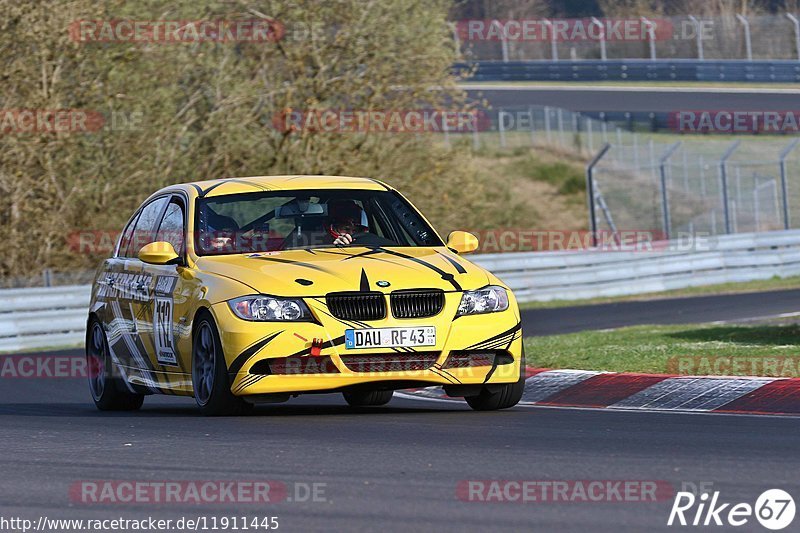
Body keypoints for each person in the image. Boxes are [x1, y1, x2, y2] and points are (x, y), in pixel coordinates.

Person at [325, 200, 394, 247]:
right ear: (332, 228)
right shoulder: (317, 244)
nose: (350, 234)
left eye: (355, 230)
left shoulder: (375, 247)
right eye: (346, 229)